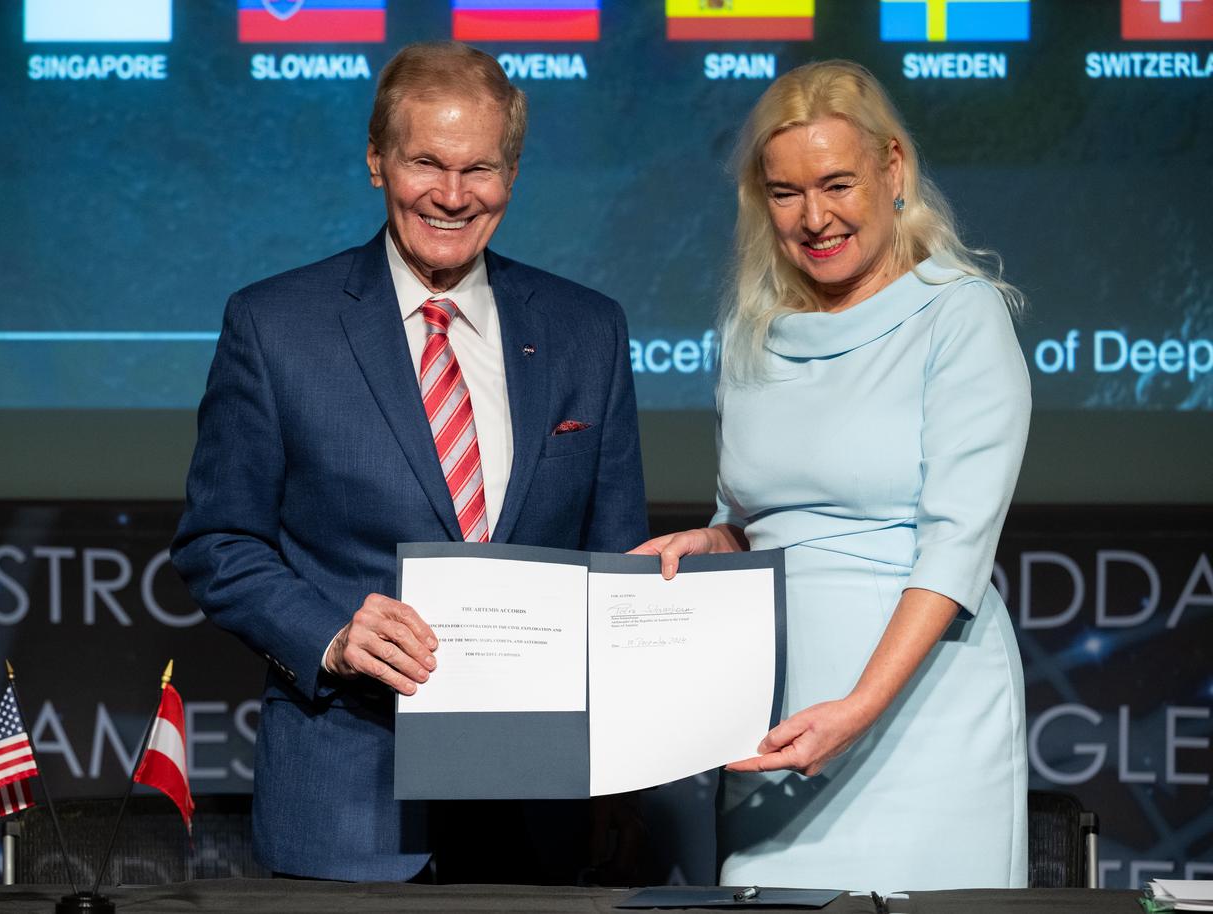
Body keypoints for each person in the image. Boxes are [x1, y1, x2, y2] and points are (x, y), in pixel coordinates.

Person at [172, 41, 647, 882]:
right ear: (376, 160)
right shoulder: (276, 326)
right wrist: (332, 634)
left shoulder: (589, 330)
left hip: (540, 810)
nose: (453, 196)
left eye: (481, 169)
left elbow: (616, 570)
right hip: (348, 806)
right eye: (426, 161)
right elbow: (219, 543)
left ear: (514, 172)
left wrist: (619, 778)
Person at [632, 60, 1030, 892]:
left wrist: (858, 711)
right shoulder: (753, 336)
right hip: (780, 724)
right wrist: (711, 540)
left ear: (893, 170)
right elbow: (756, 519)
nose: (815, 217)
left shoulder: (961, 313)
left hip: (921, 716)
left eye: (837, 183)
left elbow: (957, 546)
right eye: (786, 192)